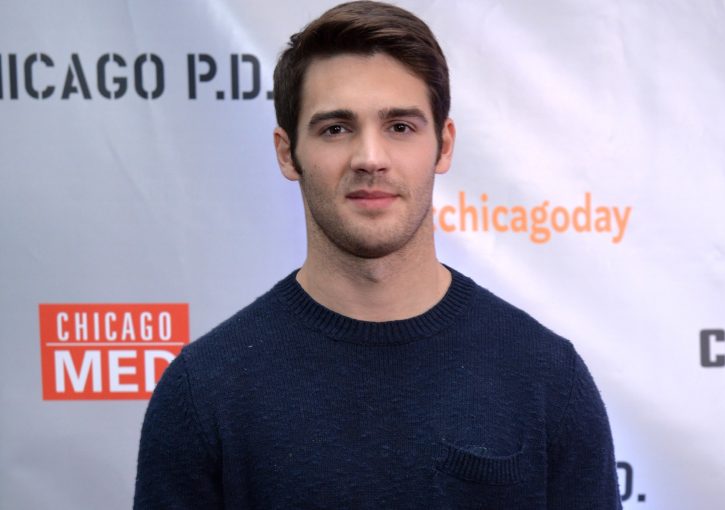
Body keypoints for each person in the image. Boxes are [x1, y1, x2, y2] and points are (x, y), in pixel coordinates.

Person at [134, 1, 622, 508]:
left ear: (444, 145)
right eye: (336, 128)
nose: (370, 158)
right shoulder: (204, 392)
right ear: (287, 153)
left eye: (400, 127)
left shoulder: (547, 378)